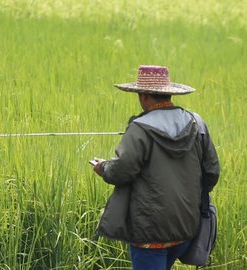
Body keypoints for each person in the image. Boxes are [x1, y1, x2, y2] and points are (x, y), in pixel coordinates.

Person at [90, 65, 220, 270]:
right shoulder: (196, 123)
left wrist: (103, 167)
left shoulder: (140, 128)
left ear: (143, 96)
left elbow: (122, 171)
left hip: (150, 234)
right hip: (186, 227)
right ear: (168, 93)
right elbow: (212, 173)